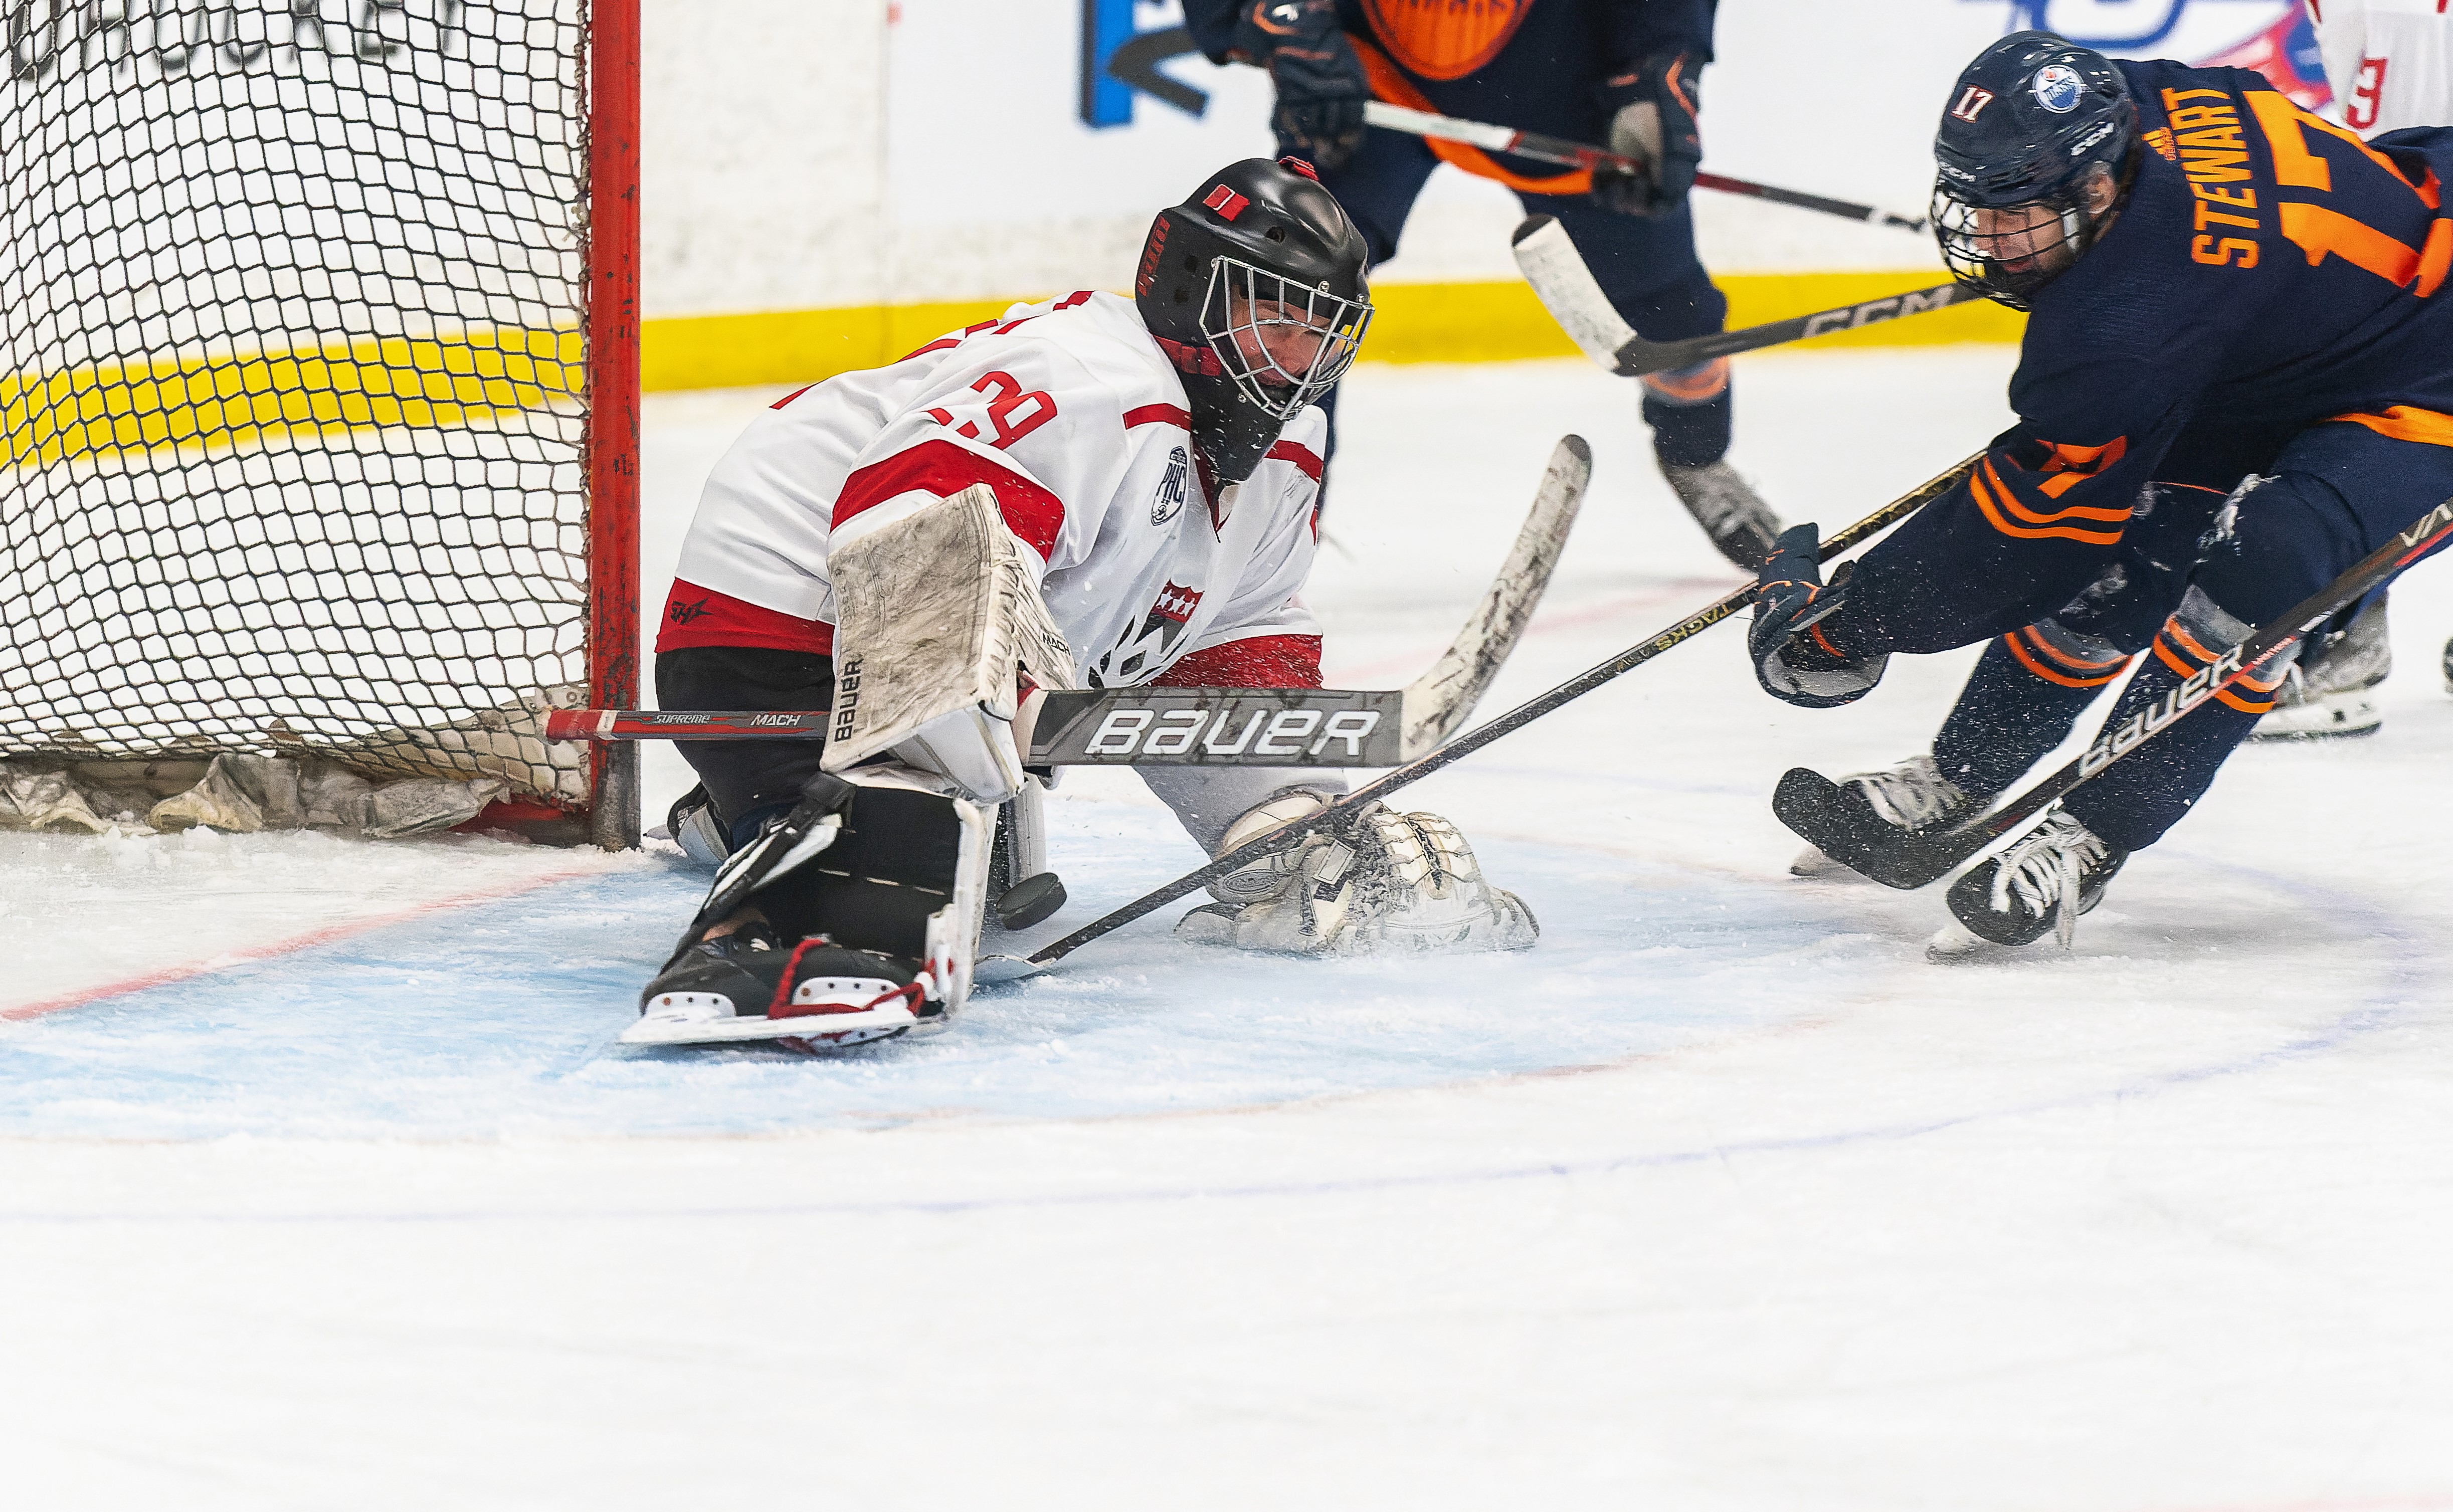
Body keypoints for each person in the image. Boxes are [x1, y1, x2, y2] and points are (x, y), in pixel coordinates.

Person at [634, 158, 1538, 1049]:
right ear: (1189, 287)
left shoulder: (1288, 443)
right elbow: (908, 525)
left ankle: (756, 807)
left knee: (982, 864)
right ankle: (766, 888)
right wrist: (986, 690)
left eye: (1320, 330)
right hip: (778, 628)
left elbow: (1229, 632)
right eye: (1272, 319)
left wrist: (1275, 817)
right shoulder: (1085, 378)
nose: (1297, 358)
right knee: (895, 873)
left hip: (948, 634)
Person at [1752, 31, 2453, 956]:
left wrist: (1852, 623)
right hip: (2302, 335)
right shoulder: (2125, 105)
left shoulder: (2132, 318)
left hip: (2431, 372)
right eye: (1974, 202)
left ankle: (2092, 831)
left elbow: (2026, 535)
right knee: (2136, 544)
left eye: (2015, 213)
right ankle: (1961, 777)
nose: (1987, 238)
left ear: (2093, 187)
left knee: (2268, 560)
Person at [1182, 0, 1784, 569]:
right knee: (1290, 288)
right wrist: (1279, 17)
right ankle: (1258, 528)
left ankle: (1697, 456)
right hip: (1367, 69)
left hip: (1561, 69)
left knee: (1671, 314)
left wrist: (1659, 68)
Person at [2257, 0, 2453, 736]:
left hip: (2413, 205)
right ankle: (2344, 638)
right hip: (2404, 207)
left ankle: (2343, 642)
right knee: (2376, 412)